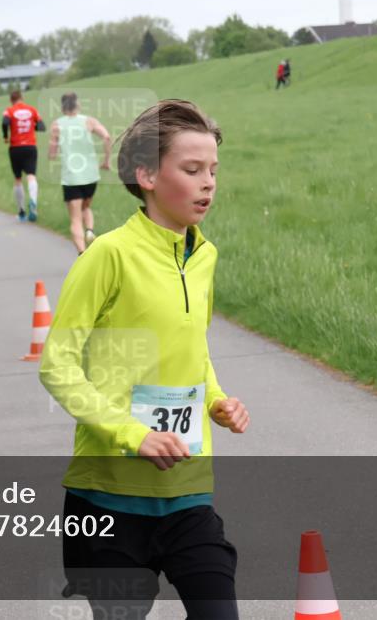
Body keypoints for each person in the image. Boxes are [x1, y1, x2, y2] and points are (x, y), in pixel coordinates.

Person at [39, 100, 250, 620]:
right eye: (192, 169)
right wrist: (133, 434)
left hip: (187, 492)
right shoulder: (107, 255)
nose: (208, 183)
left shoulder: (204, 256)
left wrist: (218, 400)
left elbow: (194, 347)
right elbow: (57, 365)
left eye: (213, 170)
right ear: (147, 176)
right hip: (108, 498)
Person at [48, 92, 112, 255]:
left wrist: (54, 151)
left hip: (71, 177)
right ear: (78, 104)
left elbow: (52, 154)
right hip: (91, 175)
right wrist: (106, 161)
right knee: (86, 207)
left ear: (62, 106)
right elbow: (106, 137)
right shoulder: (89, 121)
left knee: (75, 219)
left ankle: (82, 253)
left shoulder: (57, 125)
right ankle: (89, 230)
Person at [2, 89, 45, 221]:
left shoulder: (9, 111)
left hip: (15, 147)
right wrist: (32, 127)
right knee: (31, 175)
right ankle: (33, 201)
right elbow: (42, 127)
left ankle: (21, 211)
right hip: (30, 146)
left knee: (18, 178)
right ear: (22, 98)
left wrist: (5, 136)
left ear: (11, 100)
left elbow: (5, 123)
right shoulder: (32, 110)